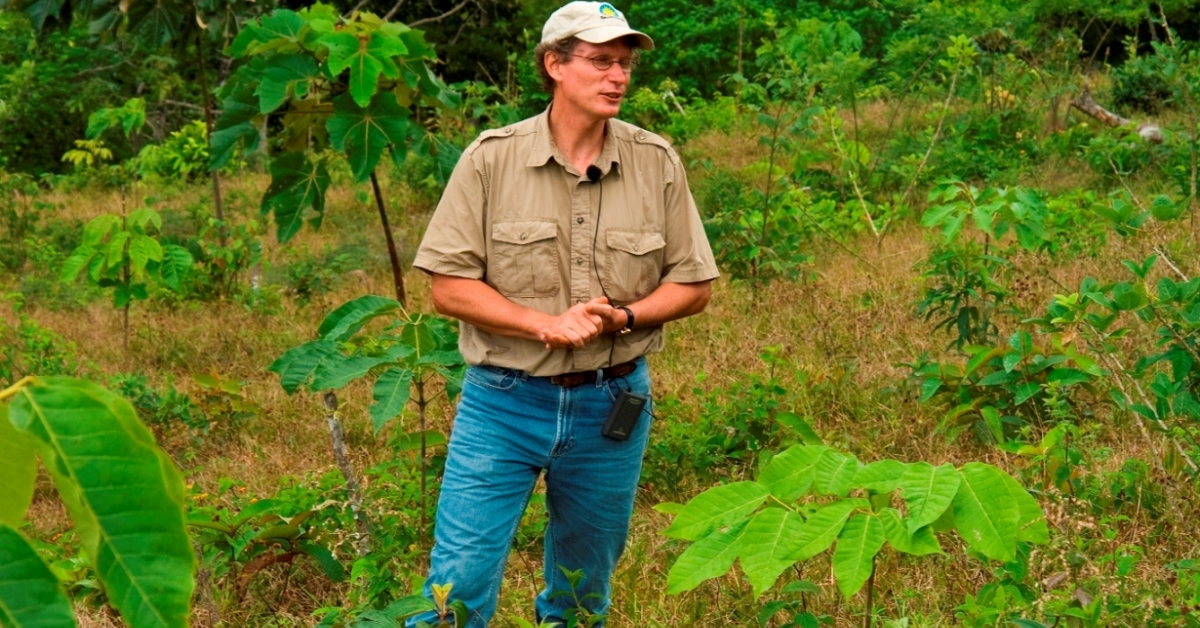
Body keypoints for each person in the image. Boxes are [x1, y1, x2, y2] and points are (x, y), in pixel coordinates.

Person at [408, 1, 718, 625]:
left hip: (613, 405)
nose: (618, 77)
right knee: (457, 589)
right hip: (503, 401)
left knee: (582, 591)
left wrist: (624, 317)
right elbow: (448, 286)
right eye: (601, 62)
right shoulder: (492, 159)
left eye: (625, 64)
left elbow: (693, 284)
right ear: (554, 64)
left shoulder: (655, 162)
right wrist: (542, 324)